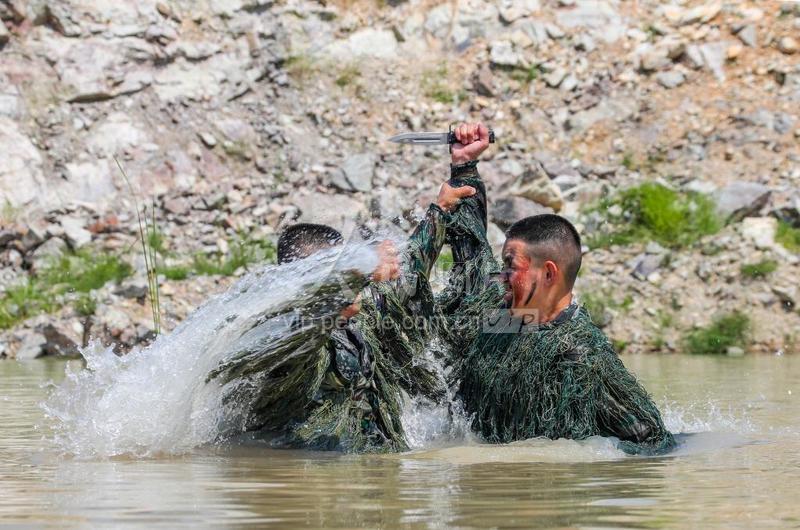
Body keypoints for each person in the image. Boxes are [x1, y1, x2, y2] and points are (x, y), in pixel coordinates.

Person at [437, 123, 676, 455]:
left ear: (548, 274)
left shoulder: (584, 358)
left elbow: (655, 444)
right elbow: (471, 250)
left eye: (510, 266)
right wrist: (464, 167)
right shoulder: (499, 314)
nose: (500, 276)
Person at [207, 180, 476, 452]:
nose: (354, 271)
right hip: (301, 480)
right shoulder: (285, 337)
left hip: (357, 474)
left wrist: (441, 208)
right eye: (343, 265)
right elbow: (312, 322)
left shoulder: (356, 320)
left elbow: (410, 272)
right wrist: (361, 271)